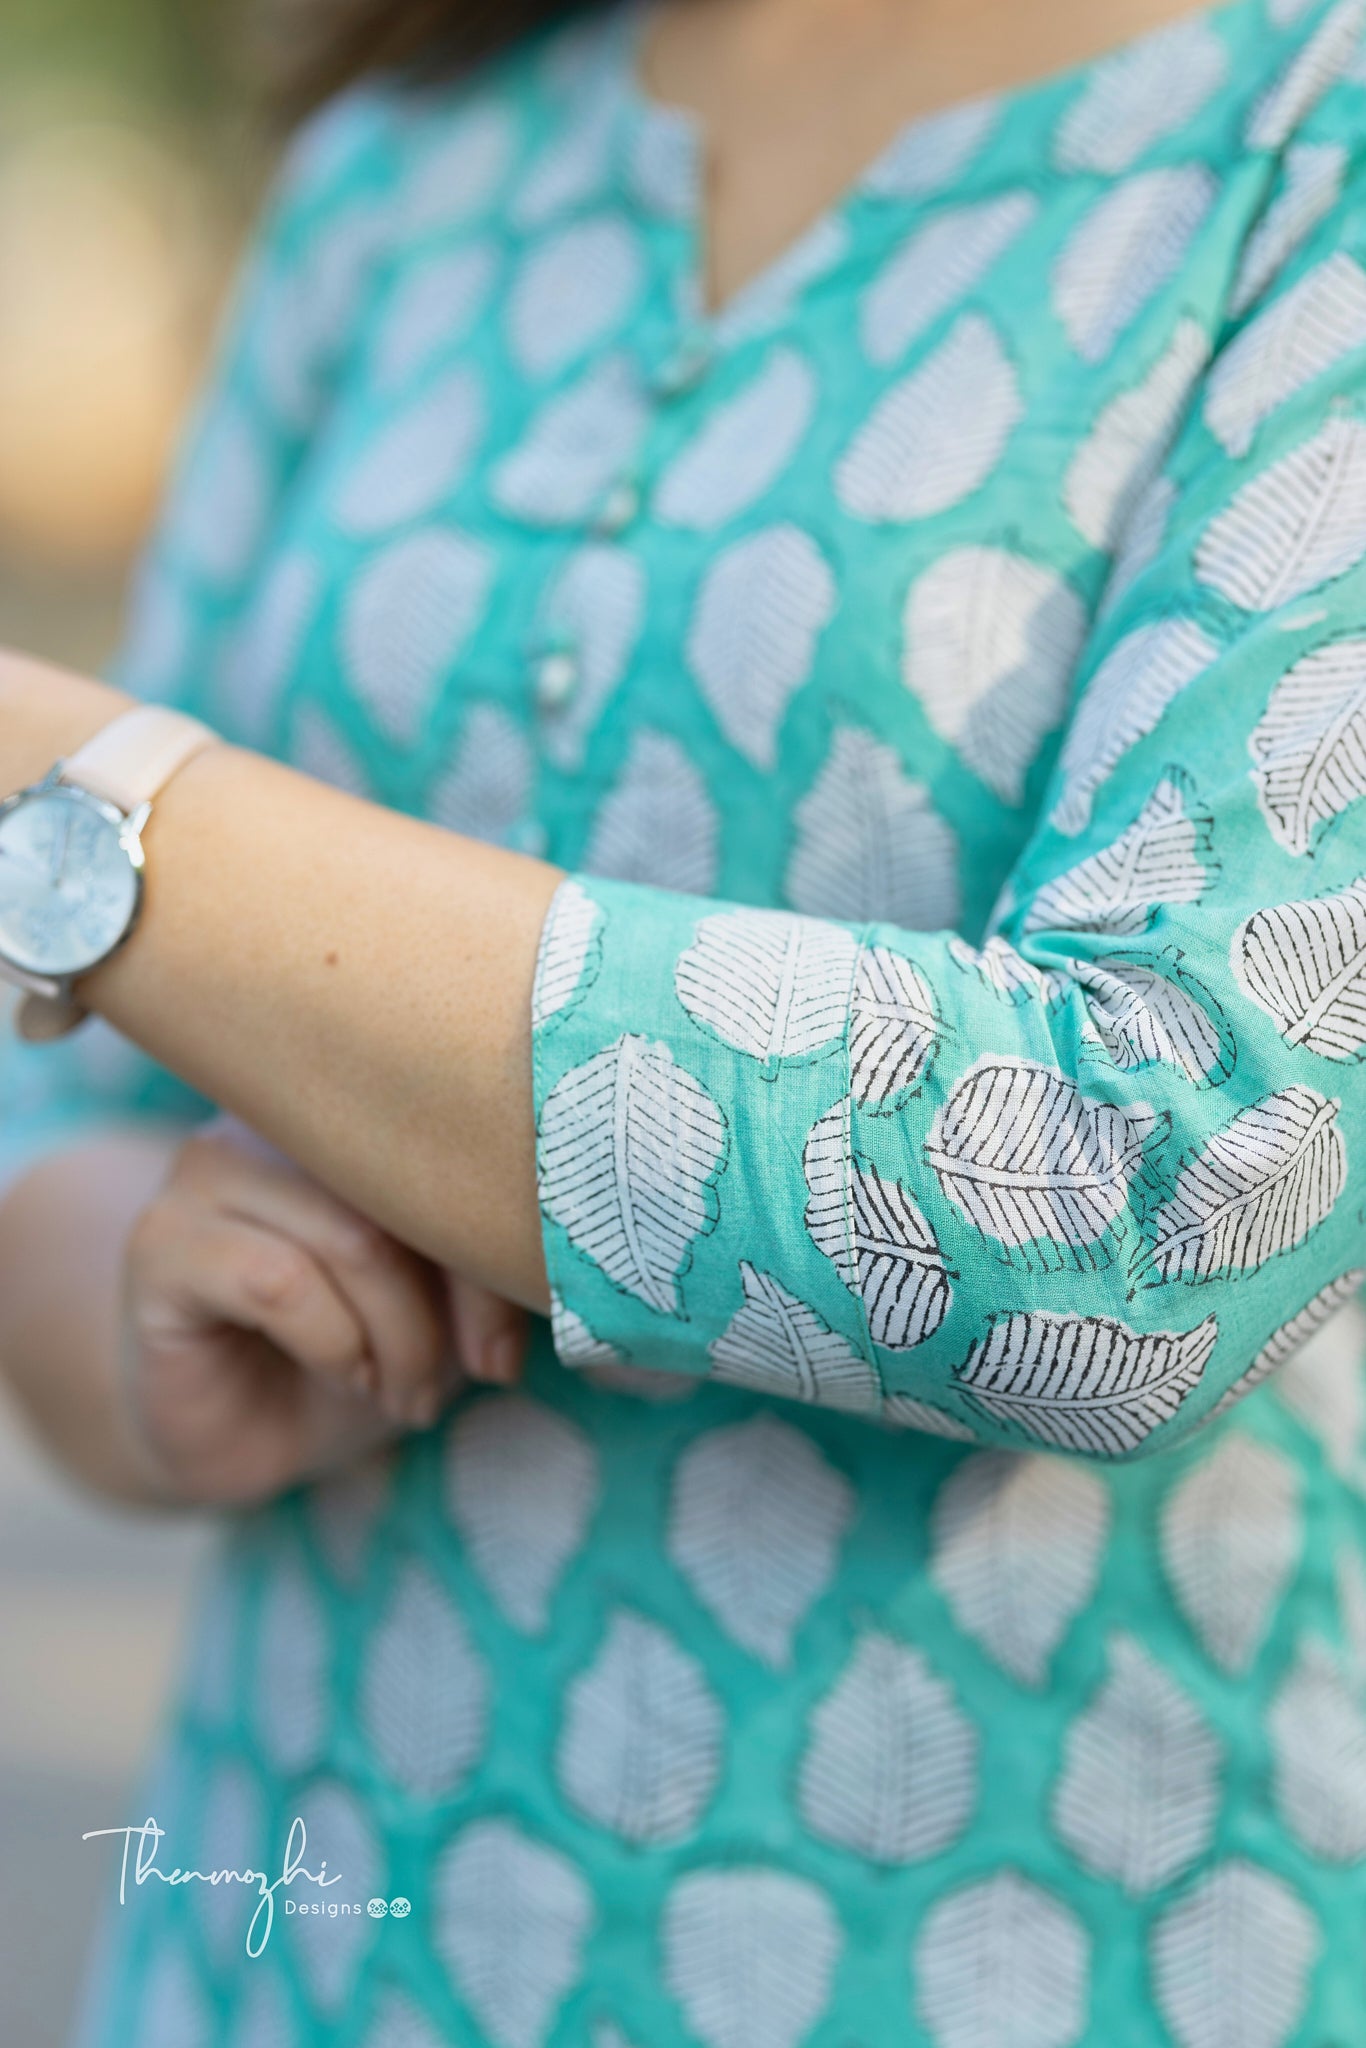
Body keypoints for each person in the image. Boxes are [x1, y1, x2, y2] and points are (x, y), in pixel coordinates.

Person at [4, 0, 1366, 2037]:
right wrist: (140, 1295)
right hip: (281, 1952)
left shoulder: (1303, 127)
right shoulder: (406, 161)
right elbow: (59, 1115)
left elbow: (1153, 1190)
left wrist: (85, 796)